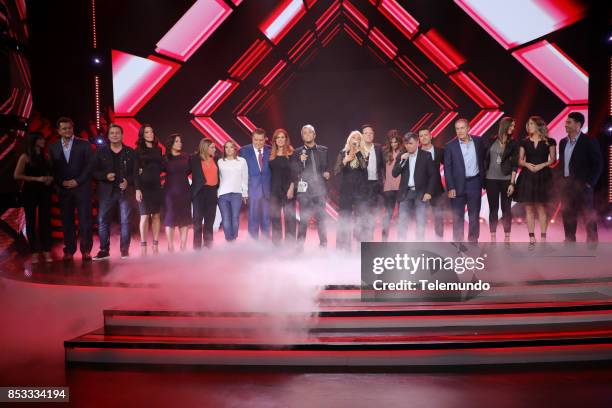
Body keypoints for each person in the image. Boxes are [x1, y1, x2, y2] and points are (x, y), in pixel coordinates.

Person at [49, 117, 94, 261]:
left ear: (72, 128)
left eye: (69, 128)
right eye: (64, 128)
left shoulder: (84, 144)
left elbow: (90, 166)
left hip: (82, 188)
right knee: (67, 221)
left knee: (84, 220)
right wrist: (61, 182)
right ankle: (69, 250)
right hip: (64, 190)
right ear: (59, 131)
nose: (67, 130)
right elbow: (52, 169)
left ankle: (86, 250)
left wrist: (77, 181)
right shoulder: (53, 147)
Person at [92, 123, 136, 260]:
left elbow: (136, 173)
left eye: (117, 133)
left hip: (124, 191)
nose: (115, 135)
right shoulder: (101, 152)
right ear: (108, 136)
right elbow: (93, 171)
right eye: (112, 133)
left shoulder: (130, 152)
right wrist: (105, 176)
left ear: (122, 135)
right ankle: (104, 250)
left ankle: (124, 250)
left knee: (125, 222)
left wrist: (128, 181)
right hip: (106, 191)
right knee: (103, 221)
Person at [558, 112, 602, 242]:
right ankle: (569, 240)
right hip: (566, 185)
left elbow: (598, 164)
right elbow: (563, 165)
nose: (565, 124)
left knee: (587, 214)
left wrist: (590, 183)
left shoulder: (589, 141)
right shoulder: (562, 142)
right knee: (567, 214)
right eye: (566, 122)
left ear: (578, 125)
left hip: (583, 186)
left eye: (569, 122)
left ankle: (592, 243)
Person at [514, 116, 557, 244]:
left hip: (543, 176)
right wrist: (527, 164)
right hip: (527, 176)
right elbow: (520, 160)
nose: (529, 126)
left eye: (532, 124)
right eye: (528, 124)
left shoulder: (550, 141)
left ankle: (543, 237)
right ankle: (531, 237)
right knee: (529, 208)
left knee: (541, 207)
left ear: (539, 125)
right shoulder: (524, 142)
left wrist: (541, 165)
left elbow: (553, 159)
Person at [13, 132, 54, 263]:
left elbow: (51, 173)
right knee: (30, 222)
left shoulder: (46, 156)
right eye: (41, 139)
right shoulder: (25, 157)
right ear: (34, 141)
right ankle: (34, 252)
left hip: (45, 191)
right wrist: (37, 179)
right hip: (30, 191)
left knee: (45, 221)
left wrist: (50, 179)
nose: (44, 141)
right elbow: (17, 175)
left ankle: (47, 251)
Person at [444, 118, 485, 243]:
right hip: (457, 185)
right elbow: (447, 168)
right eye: (457, 129)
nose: (460, 131)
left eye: (462, 128)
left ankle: (473, 242)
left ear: (468, 128)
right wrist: (450, 187)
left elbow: (485, 158)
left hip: (474, 183)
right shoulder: (450, 146)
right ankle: (458, 243)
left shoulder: (478, 141)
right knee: (458, 217)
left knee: (474, 216)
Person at [292, 124, 330, 250]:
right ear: (302, 137)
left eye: (310, 133)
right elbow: (293, 171)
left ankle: (323, 244)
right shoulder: (297, 152)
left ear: (314, 135)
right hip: (304, 191)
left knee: (321, 219)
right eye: (305, 133)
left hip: (319, 190)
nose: (307, 135)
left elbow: (326, 168)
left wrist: (327, 173)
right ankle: (299, 247)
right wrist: (299, 160)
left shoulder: (323, 150)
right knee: (303, 219)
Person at [392, 133, 436, 240]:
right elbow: (394, 174)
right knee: (402, 222)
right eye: (406, 144)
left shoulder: (426, 155)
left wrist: (429, 192)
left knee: (421, 222)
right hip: (405, 193)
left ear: (417, 143)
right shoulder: (402, 156)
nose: (408, 146)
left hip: (421, 193)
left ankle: (419, 247)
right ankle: (401, 249)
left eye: (411, 143)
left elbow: (433, 176)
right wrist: (402, 160)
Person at [483, 117, 519, 242]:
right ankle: (493, 237)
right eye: (511, 126)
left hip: (506, 180)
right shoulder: (490, 140)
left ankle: (507, 237)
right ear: (504, 126)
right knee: (493, 209)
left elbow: (515, 165)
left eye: (513, 126)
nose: (513, 128)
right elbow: (484, 159)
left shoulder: (514, 143)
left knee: (506, 209)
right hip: (490, 180)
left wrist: (512, 183)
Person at [334, 130, 368, 250]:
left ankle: (360, 246)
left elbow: (365, 169)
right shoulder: (343, 153)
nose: (355, 140)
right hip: (346, 191)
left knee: (360, 219)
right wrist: (345, 160)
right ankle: (343, 247)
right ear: (349, 140)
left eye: (358, 138)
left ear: (360, 141)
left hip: (360, 191)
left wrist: (358, 153)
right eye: (353, 138)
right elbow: (336, 171)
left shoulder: (363, 153)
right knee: (344, 218)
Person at [134, 124, 163, 255]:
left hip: (156, 186)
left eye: (151, 132)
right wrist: (137, 189)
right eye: (146, 132)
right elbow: (135, 171)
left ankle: (155, 244)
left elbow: (160, 167)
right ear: (142, 135)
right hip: (143, 187)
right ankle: (143, 245)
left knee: (156, 215)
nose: (150, 134)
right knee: (144, 216)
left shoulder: (158, 150)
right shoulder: (138, 150)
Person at [238, 128, 271, 239]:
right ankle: (253, 244)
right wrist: (243, 191)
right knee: (253, 218)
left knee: (266, 218)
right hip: (252, 189)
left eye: (261, 140)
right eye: (256, 140)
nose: (258, 142)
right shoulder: (244, 151)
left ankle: (266, 243)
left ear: (265, 140)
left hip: (267, 190)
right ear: (252, 138)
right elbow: (240, 172)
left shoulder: (270, 150)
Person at [163, 134, 191, 252]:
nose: (180, 143)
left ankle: (183, 247)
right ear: (171, 144)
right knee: (170, 219)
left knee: (184, 219)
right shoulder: (165, 158)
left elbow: (191, 170)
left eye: (180, 141)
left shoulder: (186, 156)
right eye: (177, 141)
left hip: (184, 191)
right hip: (170, 192)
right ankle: (170, 247)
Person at [190, 138, 219, 249]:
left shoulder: (216, 159)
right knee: (197, 221)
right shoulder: (194, 159)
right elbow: (184, 172)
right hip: (200, 192)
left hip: (212, 192)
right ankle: (197, 247)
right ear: (205, 148)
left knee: (209, 221)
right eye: (212, 147)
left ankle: (208, 246)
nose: (214, 149)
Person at [268, 129, 297, 244]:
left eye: (282, 137)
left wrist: (291, 188)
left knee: (289, 217)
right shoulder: (271, 155)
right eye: (277, 138)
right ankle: (277, 244)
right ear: (275, 140)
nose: (280, 140)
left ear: (286, 139)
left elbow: (295, 172)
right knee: (275, 217)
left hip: (288, 190)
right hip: (274, 190)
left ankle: (290, 244)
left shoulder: (291, 153)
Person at [418, 127, 445, 240]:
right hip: (420, 189)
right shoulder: (415, 151)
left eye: (426, 135)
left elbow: (449, 167)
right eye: (421, 136)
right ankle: (419, 241)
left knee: (438, 216)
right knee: (420, 217)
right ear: (419, 139)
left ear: (431, 136)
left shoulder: (440, 151)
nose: (423, 137)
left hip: (437, 188)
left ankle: (439, 240)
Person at [217, 141, 248, 242]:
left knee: (235, 218)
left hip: (236, 194)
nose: (229, 149)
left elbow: (245, 178)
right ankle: (228, 240)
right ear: (224, 149)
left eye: (231, 147)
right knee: (226, 219)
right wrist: (217, 193)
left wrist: (245, 193)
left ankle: (233, 238)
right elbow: (217, 178)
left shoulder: (242, 161)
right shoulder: (220, 161)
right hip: (223, 195)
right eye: (226, 147)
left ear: (235, 148)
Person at [360, 124, 384, 241]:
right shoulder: (358, 148)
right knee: (361, 212)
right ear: (362, 135)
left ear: (373, 135)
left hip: (375, 185)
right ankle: (360, 238)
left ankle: (369, 239)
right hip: (361, 186)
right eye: (366, 133)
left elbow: (384, 166)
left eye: (371, 133)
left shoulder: (379, 148)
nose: (369, 135)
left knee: (371, 213)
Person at [381, 130, 402, 241]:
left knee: (401, 215)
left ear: (399, 141)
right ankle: (384, 238)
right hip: (388, 188)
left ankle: (400, 239)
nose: (394, 144)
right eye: (391, 142)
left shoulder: (403, 152)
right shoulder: (384, 152)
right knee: (387, 214)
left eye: (396, 142)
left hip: (401, 188)